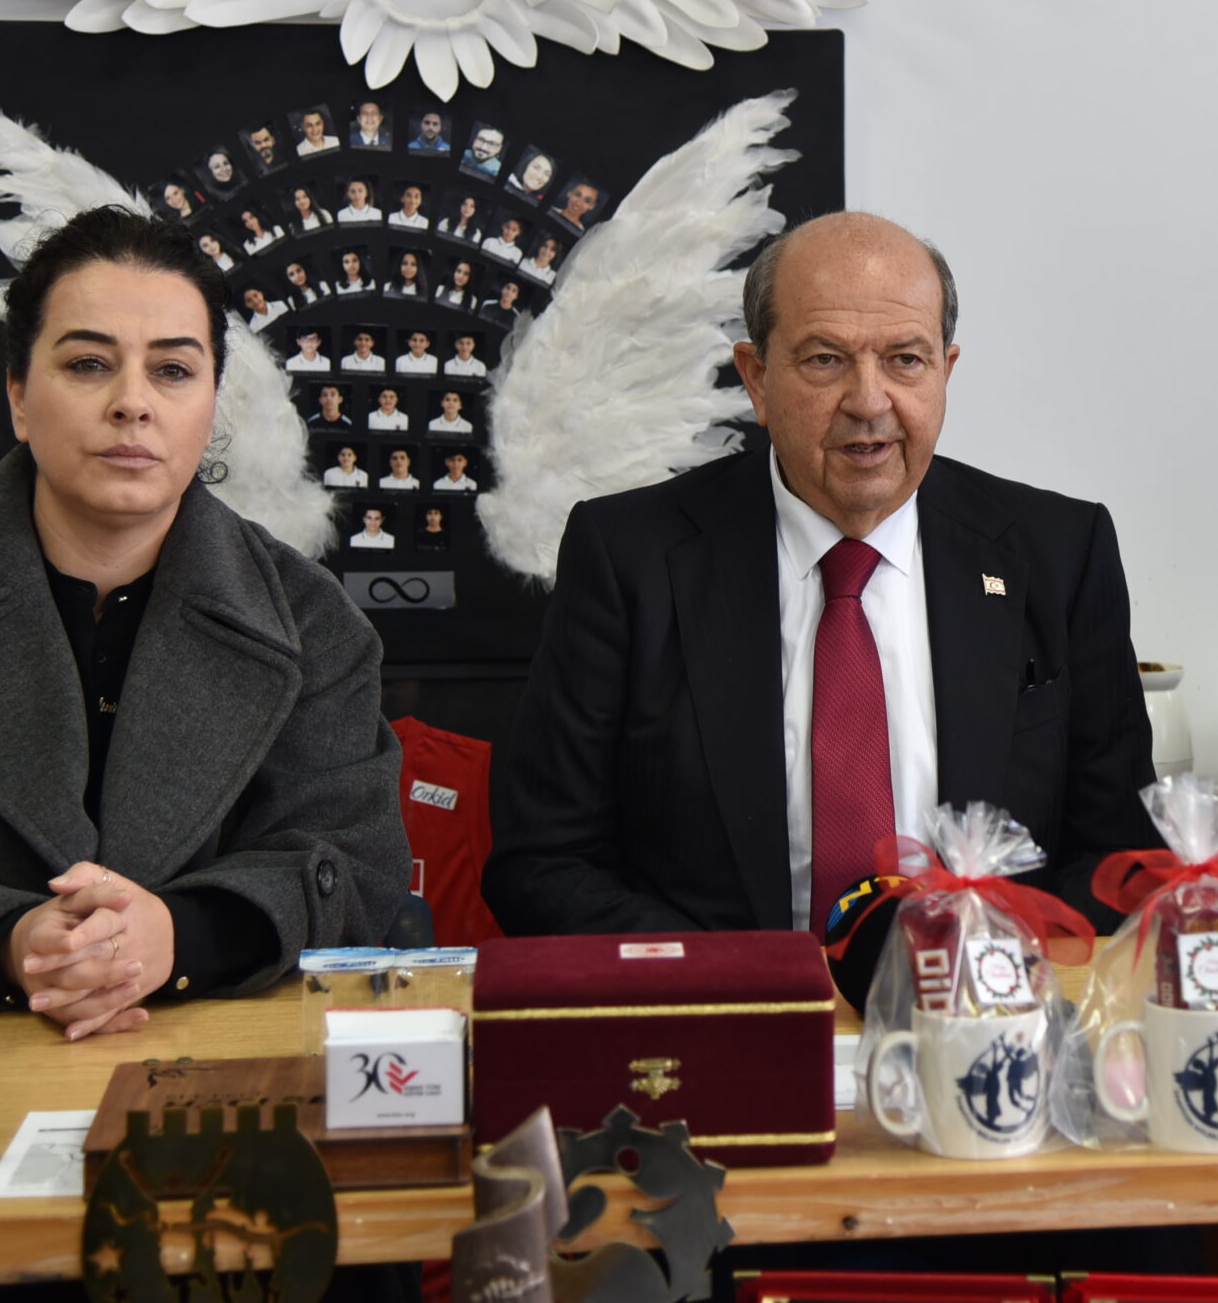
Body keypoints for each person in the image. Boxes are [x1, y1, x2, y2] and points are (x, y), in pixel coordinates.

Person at [0, 206, 406, 1034]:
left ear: (211, 403)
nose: (132, 402)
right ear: (19, 396)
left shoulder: (313, 622)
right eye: (89, 363)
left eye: (173, 370)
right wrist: (10, 940)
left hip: (220, 1048)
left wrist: (173, 937)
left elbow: (354, 867)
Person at [486, 211, 1158, 936]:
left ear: (945, 371)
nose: (868, 401)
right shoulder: (629, 558)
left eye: (905, 360)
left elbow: (1120, 855)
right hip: (727, 998)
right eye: (825, 360)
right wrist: (740, 982)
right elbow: (543, 863)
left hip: (982, 994)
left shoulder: (1060, 554)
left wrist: (989, 966)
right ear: (757, 378)